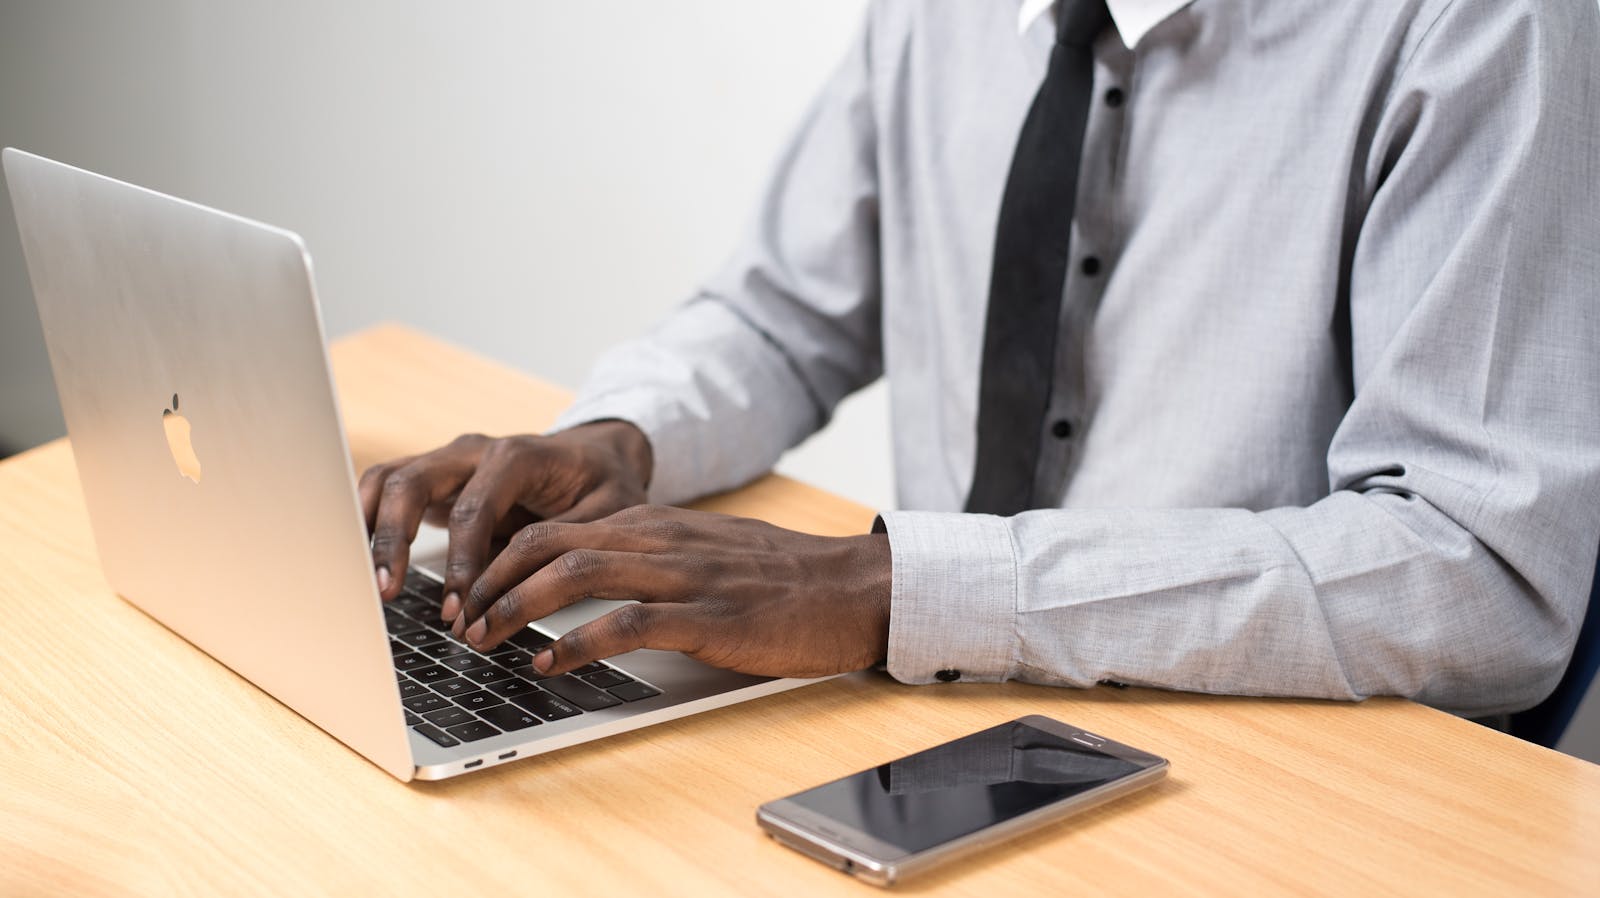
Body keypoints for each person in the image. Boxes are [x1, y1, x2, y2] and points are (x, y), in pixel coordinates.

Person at [359, 0, 1600, 718]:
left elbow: (1478, 566)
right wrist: (621, 439)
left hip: (1253, 748)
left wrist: (890, 588)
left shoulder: (1478, 25)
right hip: (939, 701)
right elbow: (787, 309)